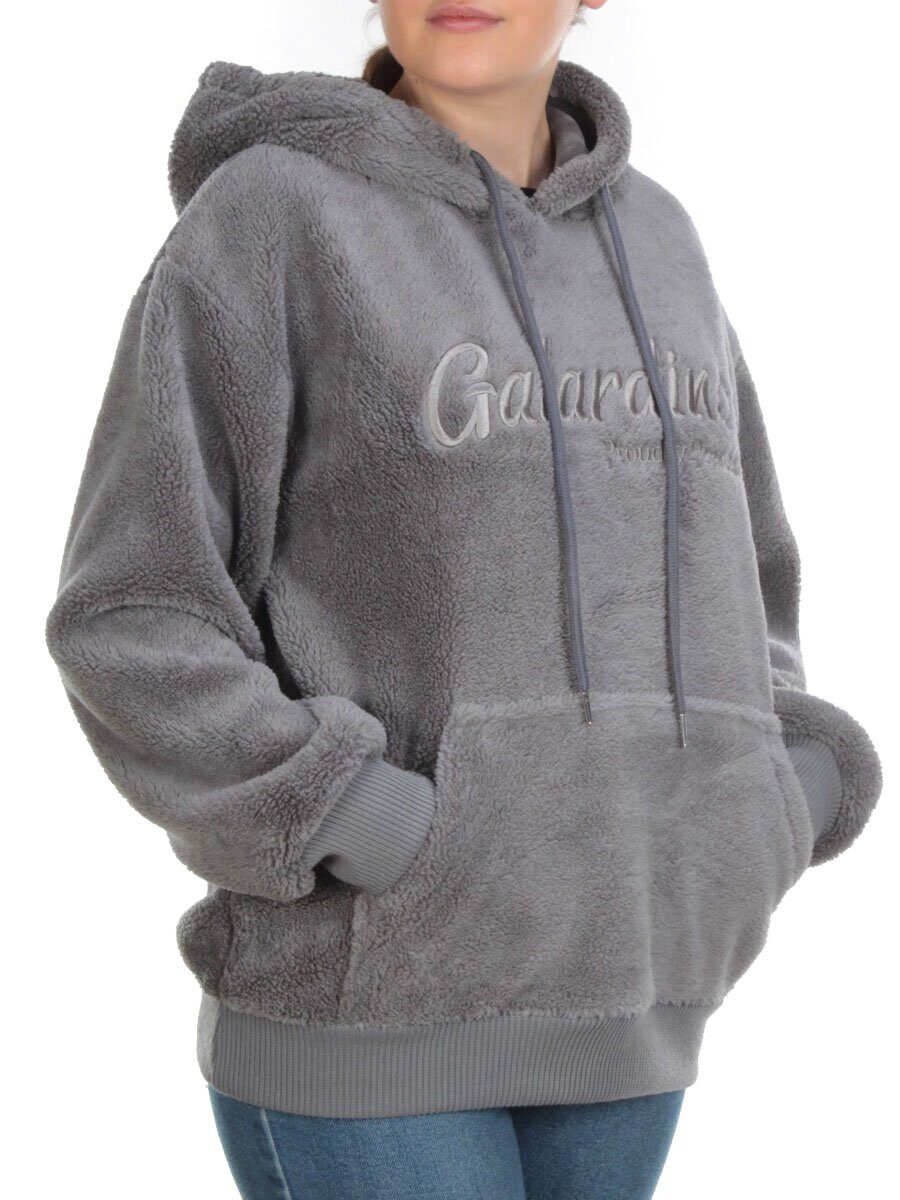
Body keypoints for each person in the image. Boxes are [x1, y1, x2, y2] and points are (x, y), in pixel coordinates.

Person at [45, 2, 883, 1197]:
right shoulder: (273, 218)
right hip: (373, 1008)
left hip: (635, 1009)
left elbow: (743, 583)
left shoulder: (659, 241)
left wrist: (767, 794)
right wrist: (351, 813)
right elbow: (133, 610)